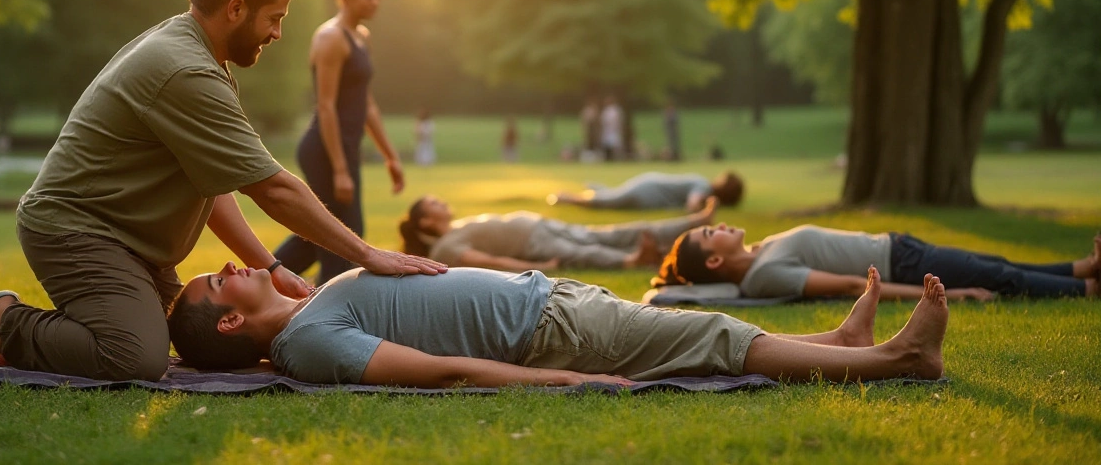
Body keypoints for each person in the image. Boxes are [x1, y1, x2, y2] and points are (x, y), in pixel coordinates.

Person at [0, 0, 444, 381]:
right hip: (76, 231)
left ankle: (47, 340)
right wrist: (367, 253)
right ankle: (8, 323)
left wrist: (269, 267)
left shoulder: (200, 57)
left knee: (192, 341)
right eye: (273, 17)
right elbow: (271, 187)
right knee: (136, 358)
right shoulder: (187, 71)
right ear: (236, 9)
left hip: (132, 246)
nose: (278, 33)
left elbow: (213, 187)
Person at [166, 260, 950, 386]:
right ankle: (897, 361)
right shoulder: (305, 343)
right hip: (551, 339)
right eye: (220, 278)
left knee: (704, 334)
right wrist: (561, 381)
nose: (232, 263)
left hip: (549, 303)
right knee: (711, 340)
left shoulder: (302, 311)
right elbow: (440, 372)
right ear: (232, 321)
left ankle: (839, 345)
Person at [273, 0, 405, 286]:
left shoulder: (361, 37)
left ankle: (261, 277)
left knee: (316, 238)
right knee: (345, 239)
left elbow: (367, 104)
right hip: (324, 151)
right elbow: (326, 106)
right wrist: (341, 170)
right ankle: (331, 313)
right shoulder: (331, 38)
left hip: (344, 149)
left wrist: (390, 155)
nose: (375, 3)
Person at [660, 223, 1101, 300]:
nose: (716, 224)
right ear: (715, 260)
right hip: (903, 267)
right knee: (996, 275)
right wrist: (938, 293)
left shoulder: (761, 250)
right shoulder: (765, 276)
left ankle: (1082, 269)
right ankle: (1085, 290)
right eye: (708, 232)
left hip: (898, 246)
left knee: (995, 262)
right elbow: (855, 286)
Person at [398, 196, 720, 271]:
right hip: (533, 242)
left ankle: (690, 224)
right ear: (426, 222)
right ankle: (633, 260)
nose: (443, 202)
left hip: (540, 225)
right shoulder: (443, 248)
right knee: (586, 253)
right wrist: (536, 268)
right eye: (434, 203)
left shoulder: (455, 228)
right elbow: (489, 260)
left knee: (611, 233)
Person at [550, 170, 744, 210]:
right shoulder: (703, 186)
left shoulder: (702, 182)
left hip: (649, 188)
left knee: (612, 196)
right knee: (608, 202)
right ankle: (565, 197)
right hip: (647, 192)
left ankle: (596, 187)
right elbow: (692, 205)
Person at [599, 96, 624, 161]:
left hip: (613, 131)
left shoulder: (615, 110)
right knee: (608, 146)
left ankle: (616, 158)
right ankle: (609, 158)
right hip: (608, 131)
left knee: (615, 147)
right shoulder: (607, 111)